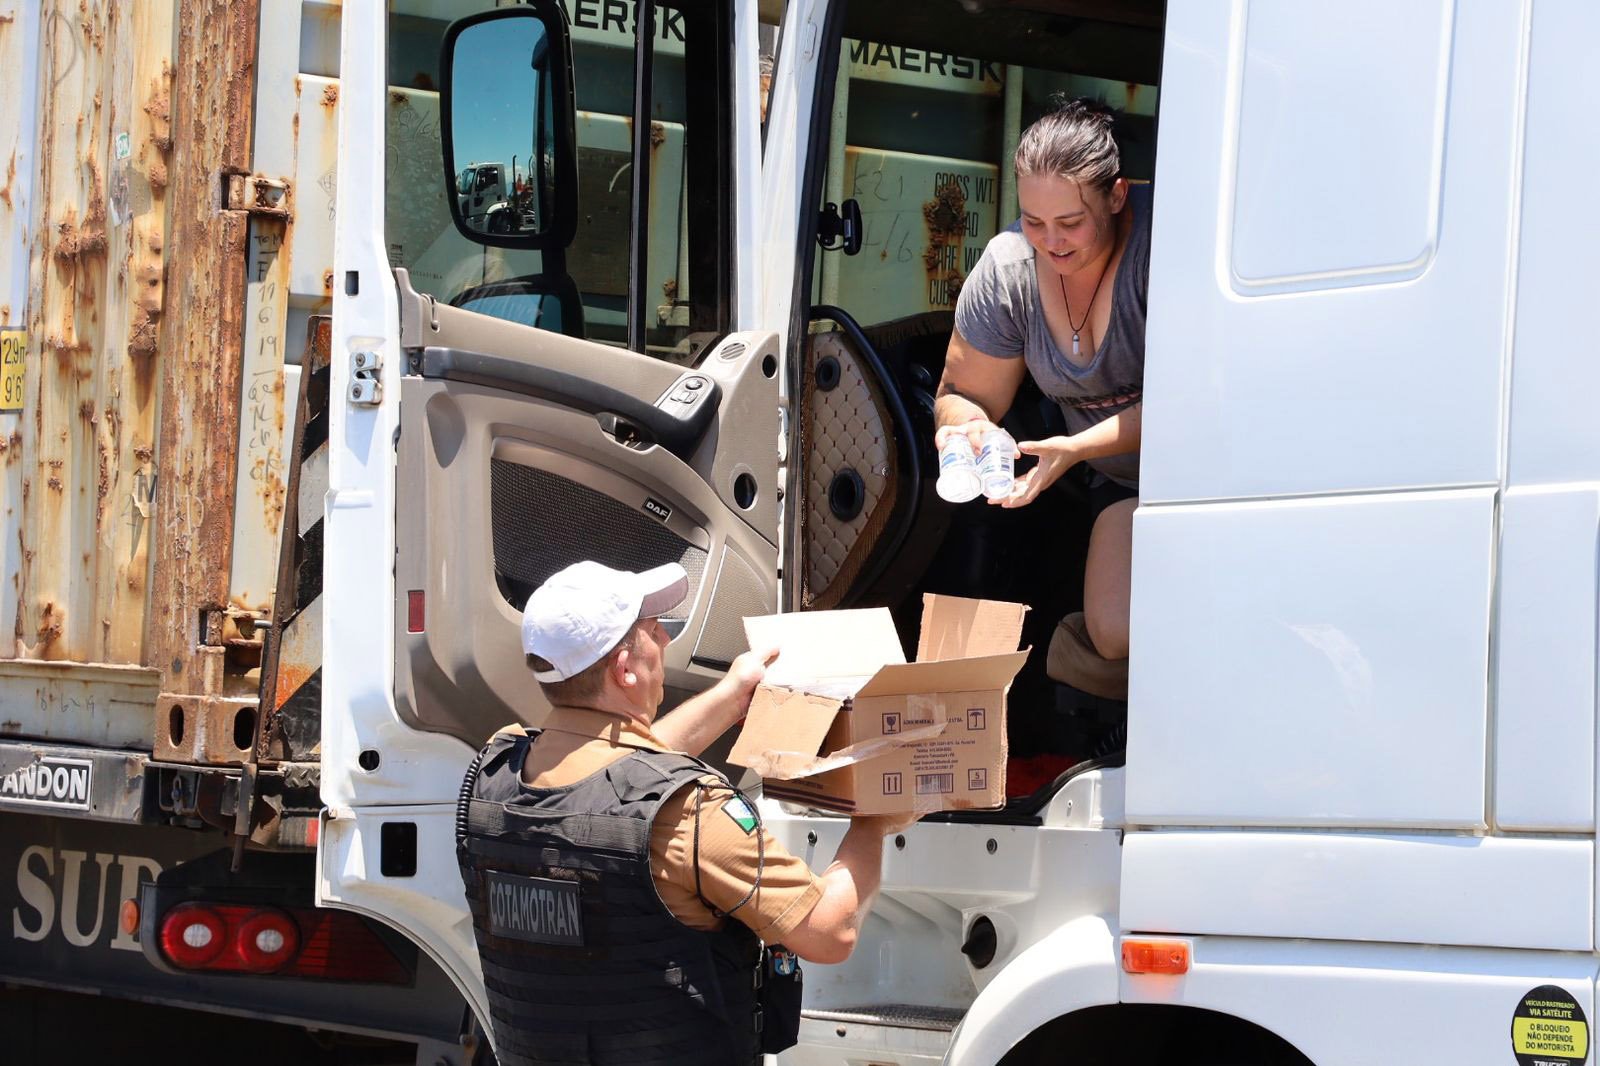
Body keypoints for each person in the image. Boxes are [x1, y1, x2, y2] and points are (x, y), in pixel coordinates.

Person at [456, 560, 916, 1066]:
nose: (666, 640)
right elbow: (830, 932)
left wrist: (730, 696)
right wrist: (874, 819)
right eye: (654, 629)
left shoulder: (493, 774)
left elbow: (613, 778)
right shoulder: (692, 816)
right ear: (625, 669)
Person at [933, 97, 1150, 666]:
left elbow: (1198, 406)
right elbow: (962, 395)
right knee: (1116, 632)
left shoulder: (1161, 252)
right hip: (1120, 486)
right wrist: (970, 431)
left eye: (1071, 222)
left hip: (1206, 474)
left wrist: (1076, 448)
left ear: (1118, 196)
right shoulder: (1010, 269)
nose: (1051, 241)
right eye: (1033, 221)